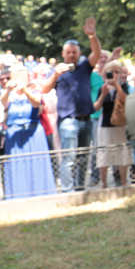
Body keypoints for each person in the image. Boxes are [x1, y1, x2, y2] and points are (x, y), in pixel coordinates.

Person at [41, 18, 102, 191]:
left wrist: (92, 36)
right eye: (68, 52)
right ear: (63, 54)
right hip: (68, 120)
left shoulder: (85, 67)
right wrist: (55, 75)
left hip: (86, 119)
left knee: (84, 157)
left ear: (79, 53)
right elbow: (44, 89)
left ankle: (80, 189)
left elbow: (97, 54)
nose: (72, 55)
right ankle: (68, 191)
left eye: (74, 52)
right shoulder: (58, 71)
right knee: (69, 158)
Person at [0, 64, 56, 199]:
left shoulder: (34, 91)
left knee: (37, 164)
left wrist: (24, 90)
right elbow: (3, 102)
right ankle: (18, 195)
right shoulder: (9, 95)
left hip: (33, 133)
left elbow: (36, 103)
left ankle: (42, 193)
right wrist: (8, 90)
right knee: (17, 166)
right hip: (15, 135)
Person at [92, 60, 131, 188]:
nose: (114, 74)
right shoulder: (102, 88)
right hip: (105, 126)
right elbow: (96, 108)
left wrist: (116, 86)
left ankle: (123, 181)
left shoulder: (124, 86)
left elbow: (126, 100)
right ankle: (104, 183)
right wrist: (103, 95)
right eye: (111, 72)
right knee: (104, 154)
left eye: (116, 72)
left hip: (120, 125)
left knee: (122, 153)